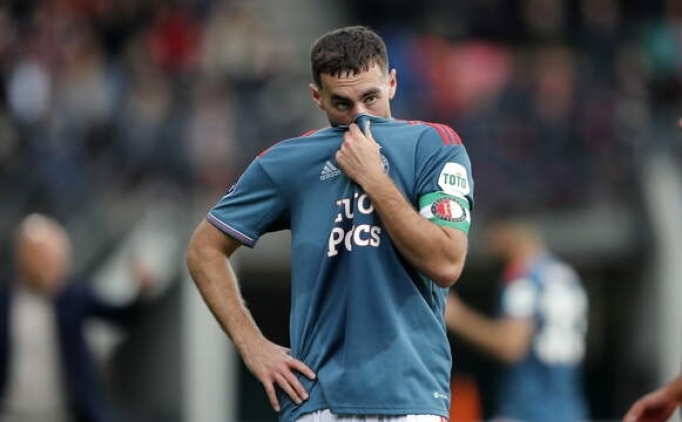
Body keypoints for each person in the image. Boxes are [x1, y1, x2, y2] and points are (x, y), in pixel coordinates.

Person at [186, 26, 474, 422]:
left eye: (370, 98)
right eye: (342, 104)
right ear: (317, 97)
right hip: (317, 400)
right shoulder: (288, 160)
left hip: (411, 396)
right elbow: (204, 249)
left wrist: (373, 178)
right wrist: (252, 345)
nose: (359, 119)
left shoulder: (433, 145)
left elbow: (446, 263)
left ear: (392, 83)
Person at [0, 214, 154, 422]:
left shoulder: (73, 297)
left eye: (56, 257)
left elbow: (120, 316)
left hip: (63, 414)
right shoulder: (5, 301)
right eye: (43, 257)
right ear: (24, 257)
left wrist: (141, 293)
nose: (53, 264)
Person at [445, 217, 589, 422]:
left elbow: (510, 345)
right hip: (568, 410)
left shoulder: (523, 277)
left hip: (529, 409)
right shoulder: (565, 275)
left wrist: (458, 316)